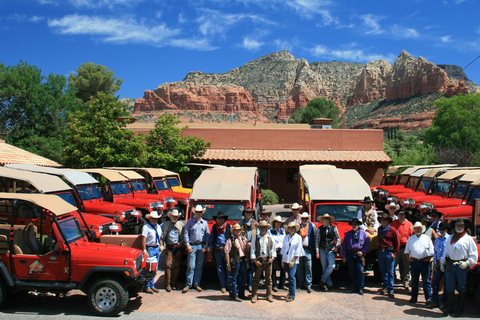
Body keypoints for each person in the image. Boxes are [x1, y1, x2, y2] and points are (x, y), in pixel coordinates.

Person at [441, 219, 478, 317]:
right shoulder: (450, 238)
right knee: (450, 287)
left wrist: (467, 263)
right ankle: (450, 308)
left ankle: (460, 309)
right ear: (455, 227)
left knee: (462, 287)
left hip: (461, 266)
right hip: (450, 265)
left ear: (464, 226)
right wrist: (442, 262)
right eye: (457, 225)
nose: (459, 227)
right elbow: (446, 251)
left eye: (461, 225)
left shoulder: (468, 239)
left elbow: (474, 255)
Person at [404, 221, 434, 305]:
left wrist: (428, 258)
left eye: (419, 228)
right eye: (416, 228)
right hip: (414, 261)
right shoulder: (411, 238)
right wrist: (408, 258)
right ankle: (414, 297)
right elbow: (407, 250)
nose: (418, 230)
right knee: (414, 280)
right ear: (414, 229)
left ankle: (428, 298)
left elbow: (431, 250)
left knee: (426, 281)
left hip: (424, 261)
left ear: (422, 229)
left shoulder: (427, 238)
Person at [183, 205, 209, 293]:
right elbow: (186, 234)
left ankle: (196, 284)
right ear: (195, 213)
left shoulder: (204, 223)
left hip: (201, 246)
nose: (198, 213)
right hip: (192, 245)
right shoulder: (190, 222)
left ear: (202, 213)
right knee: (191, 266)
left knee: (199, 266)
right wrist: (187, 245)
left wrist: (206, 245)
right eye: (197, 212)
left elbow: (207, 235)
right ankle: (188, 284)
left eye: (200, 212)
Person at [341, 218, 370, 295]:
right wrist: (344, 256)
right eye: (353, 224)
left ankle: (361, 288)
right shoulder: (348, 234)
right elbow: (343, 245)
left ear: (358, 225)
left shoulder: (364, 234)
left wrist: (362, 252)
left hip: (359, 254)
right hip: (350, 253)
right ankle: (355, 286)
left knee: (360, 270)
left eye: (356, 224)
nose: (354, 226)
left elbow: (367, 245)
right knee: (352, 271)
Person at [250, 220, 276, 303]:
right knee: (256, 278)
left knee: (268, 279)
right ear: (259, 228)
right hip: (259, 260)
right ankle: (254, 294)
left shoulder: (270, 238)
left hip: (268, 260)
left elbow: (273, 249)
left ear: (266, 228)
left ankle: (269, 294)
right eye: (261, 227)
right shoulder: (255, 238)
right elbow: (253, 250)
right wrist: (254, 260)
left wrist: (272, 258)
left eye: (264, 227)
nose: (263, 229)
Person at [315, 213, 341, 291]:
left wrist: (337, 247)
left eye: (327, 219)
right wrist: (317, 252)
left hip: (331, 250)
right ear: (322, 220)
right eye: (324, 219)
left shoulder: (334, 228)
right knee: (324, 268)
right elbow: (317, 241)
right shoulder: (319, 229)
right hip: (322, 250)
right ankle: (328, 284)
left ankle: (322, 280)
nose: (325, 220)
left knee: (332, 266)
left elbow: (338, 239)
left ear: (329, 220)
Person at [377, 213, 400, 298]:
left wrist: (395, 253)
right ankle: (385, 287)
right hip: (381, 252)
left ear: (388, 221)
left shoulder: (392, 230)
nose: (384, 221)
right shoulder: (379, 229)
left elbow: (397, 242)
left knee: (390, 271)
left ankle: (391, 289)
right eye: (383, 220)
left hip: (389, 252)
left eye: (385, 220)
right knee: (383, 270)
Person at [208, 211, 231, 293]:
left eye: (222, 218)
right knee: (220, 268)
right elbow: (211, 237)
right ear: (216, 219)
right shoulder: (214, 227)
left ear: (224, 219)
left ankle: (229, 285)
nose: (220, 220)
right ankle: (223, 285)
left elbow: (232, 237)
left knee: (228, 267)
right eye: (219, 218)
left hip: (227, 251)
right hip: (217, 250)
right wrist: (211, 246)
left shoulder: (229, 227)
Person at [281, 222, 305, 302]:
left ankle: (292, 294)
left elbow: (298, 249)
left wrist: (294, 259)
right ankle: (290, 291)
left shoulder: (298, 237)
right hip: (286, 259)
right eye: (290, 228)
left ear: (295, 229)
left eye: (293, 228)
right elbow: (284, 248)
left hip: (293, 260)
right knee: (289, 276)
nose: (291, 229)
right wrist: (282, 259)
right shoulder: (286, 237)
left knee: (292, 276)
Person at [161, 209, 184, 292]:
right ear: (170, 216)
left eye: (176, 216)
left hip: (178, 247)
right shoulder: (165, 224)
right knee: (168, 266)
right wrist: (161, 243)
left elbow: (185, 235)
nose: (175, 217)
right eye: (173, 216)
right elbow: (159, 232)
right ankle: (167, 284)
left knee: (177, 266)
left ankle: (174, 283)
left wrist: (182, 242)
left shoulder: (181, 225)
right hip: (169, 247)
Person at [429, 222, 450, 309]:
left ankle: (444, 301)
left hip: (447, 262)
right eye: (440, 230)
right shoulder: (437, 239)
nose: (441, 231)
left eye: (443, 230)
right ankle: (435, 301)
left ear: (446, 230)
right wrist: (435, 263)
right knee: (435, 282)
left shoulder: (450, 239)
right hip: (438, 262)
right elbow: (435, 252)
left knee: (446, 283)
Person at [141, 210, 163, 294]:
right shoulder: (146, 227)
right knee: (149, 268)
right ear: (150, 218)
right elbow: (143, 238)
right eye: (153, 218)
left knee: (155, 268)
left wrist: (161, 245)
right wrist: (144, 249)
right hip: (150, 248)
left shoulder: (158, 226)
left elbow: (160, 237)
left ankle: (152, 285)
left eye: (156, 219)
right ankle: (147, 286)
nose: (155, 220)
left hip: (156, 248)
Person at [225, 223, 249, 302]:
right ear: (234, 231)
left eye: (239, 230)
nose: (238, 231)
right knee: (234, 277)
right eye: (236, 230)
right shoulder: (230, 240)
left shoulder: (244, 239)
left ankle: (241, 293)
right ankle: (233, 294)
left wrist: (247, 262)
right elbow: (227, 252)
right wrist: (228, 263)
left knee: (243, 277)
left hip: (243, 260)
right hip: (235, 260)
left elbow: (247, 251)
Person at [391, 210, 413, 289]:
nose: (401, 216)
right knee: (393, 265)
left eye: (403, 214)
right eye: (400, 214)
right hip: (396, 248)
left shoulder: (409, 224)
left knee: (406, 265)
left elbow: (412, 236)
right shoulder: (393, 224)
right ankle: (392, 280)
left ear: (405, 215)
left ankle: (406, 281)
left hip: (405, 248)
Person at [297, 212, 316, 293]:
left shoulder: (312, 226)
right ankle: (300, 283)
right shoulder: (298, 227)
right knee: (300, 267)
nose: (304, 220)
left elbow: (315, 236)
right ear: (301, 219)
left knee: (308, 267)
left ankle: (308, 284)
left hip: (308, 249)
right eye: (303, 218)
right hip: (300, 249)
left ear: (308, 219)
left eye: (306, 218)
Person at [240, 207, 258, 292]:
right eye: (247, 212)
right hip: (243, 246)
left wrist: (252, 244)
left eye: (250, 213)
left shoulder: (255, 223)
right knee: (243, 265)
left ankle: (250, 284)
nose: (249, 214)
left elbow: (258, 236)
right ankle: (243, 283)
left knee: (251, 266)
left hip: (253, 246)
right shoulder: (241, 222)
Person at [268, 215, 287, 292]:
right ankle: (274, 284)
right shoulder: (270, 231)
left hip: (281, 250)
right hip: (274, 250)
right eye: (277, 222)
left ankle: (282, 284)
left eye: (280, 222)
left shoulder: (282, 231)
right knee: (274, 268)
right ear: (274, 223)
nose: (279, 224)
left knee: (283, 267)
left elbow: (284, 241)